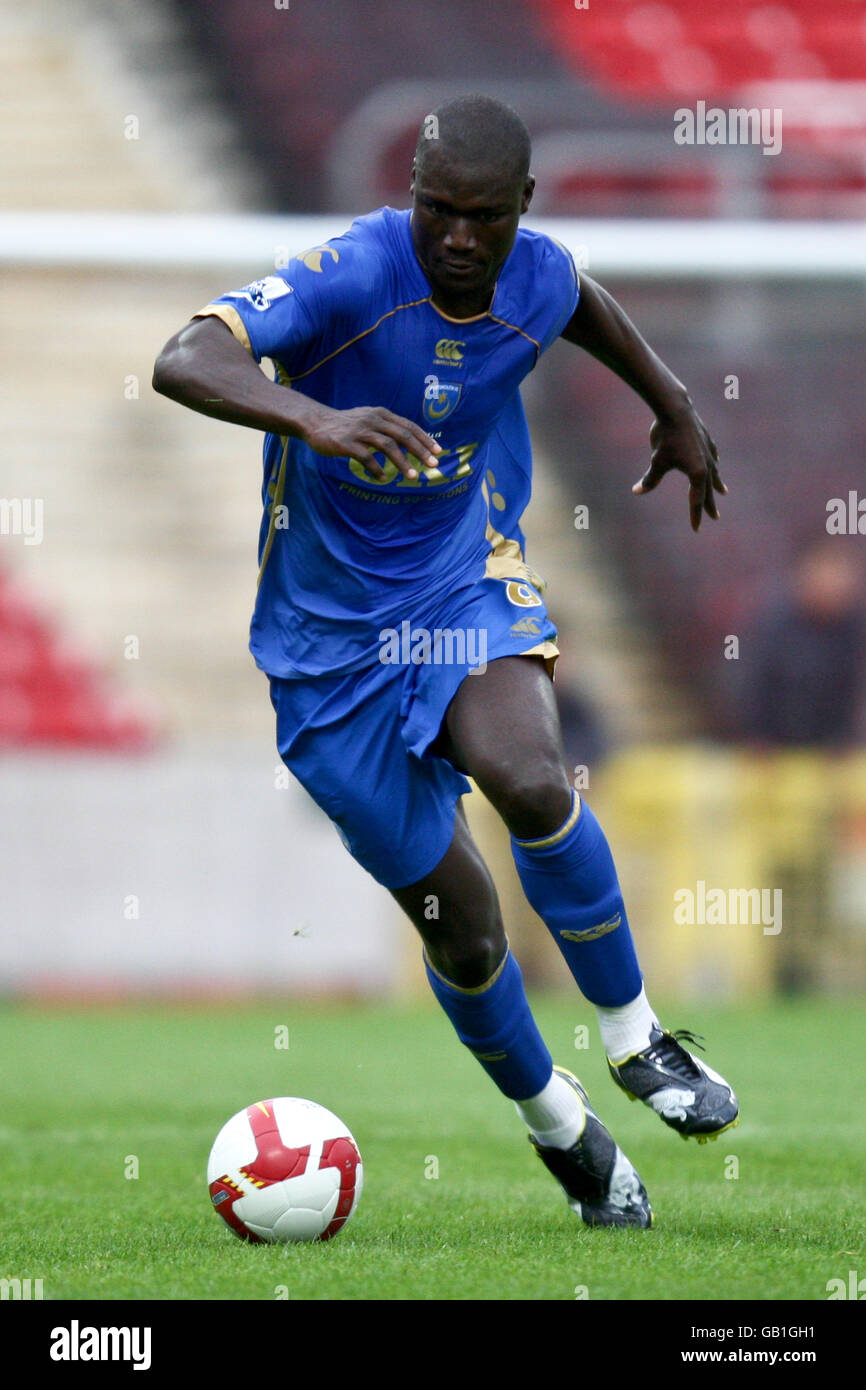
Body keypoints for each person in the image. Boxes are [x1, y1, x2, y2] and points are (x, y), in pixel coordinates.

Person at [153, 95, 737, 1229]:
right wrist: (309, 418)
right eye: (436, 212)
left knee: (528, 776)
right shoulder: (348, 273)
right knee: (462, 927)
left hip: (458, 576)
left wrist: (672, 406)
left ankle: (634, 1038)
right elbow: (185, 356)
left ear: (521, 208)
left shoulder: (537, 272)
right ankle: (561, 1130)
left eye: (483, 217)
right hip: (325, 654)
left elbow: (581, 304)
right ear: (409, 201)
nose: (458, 239)